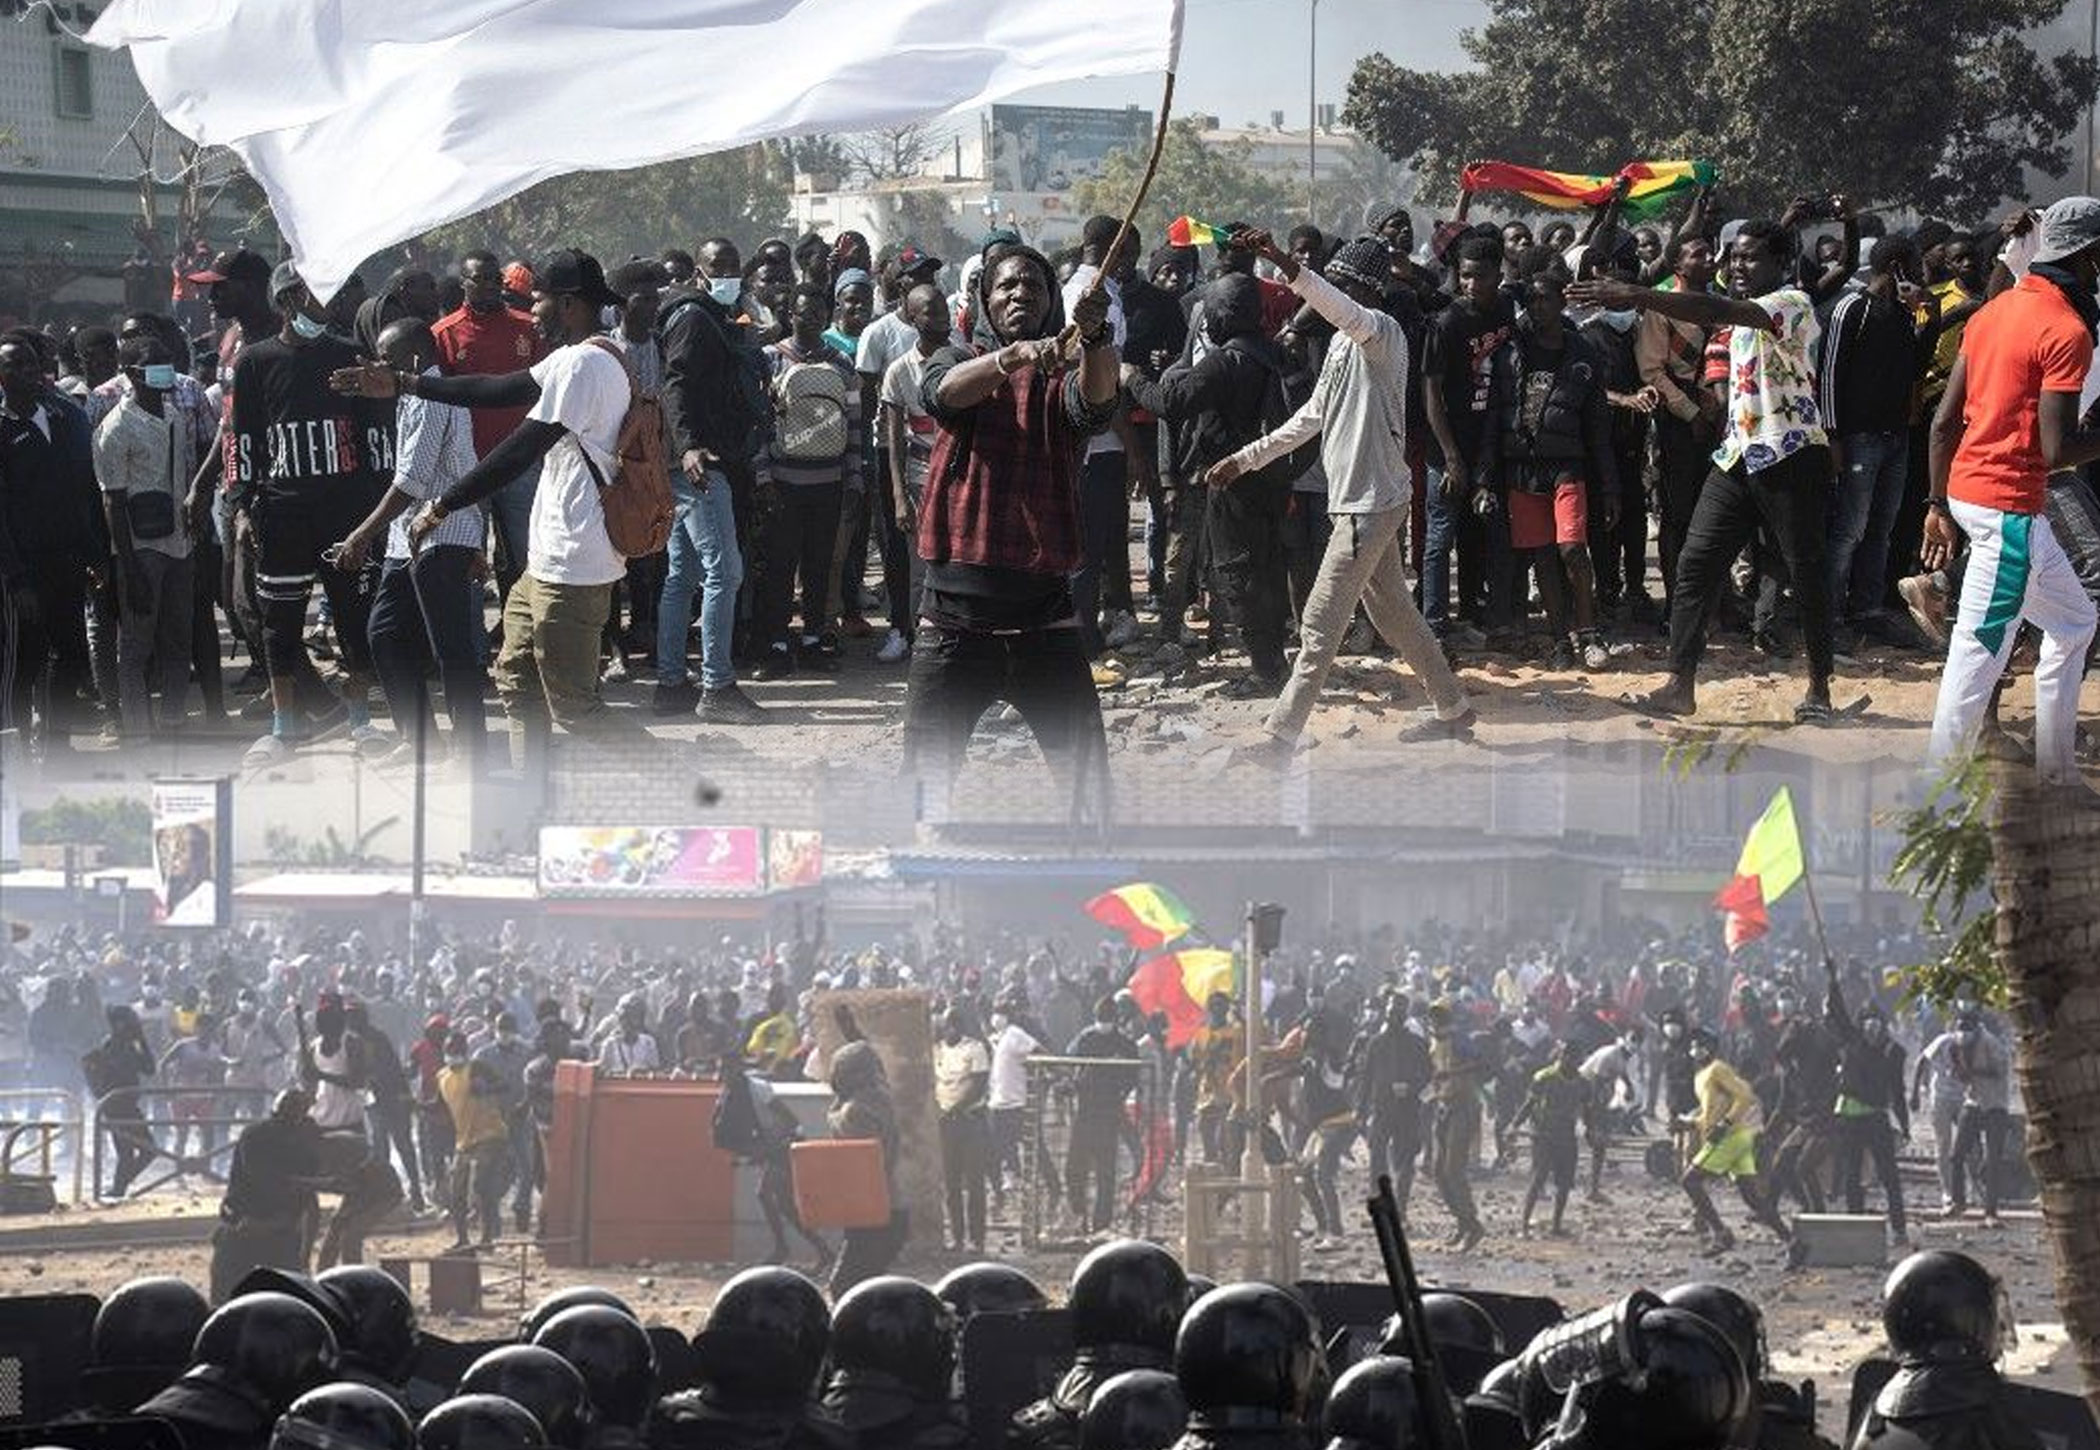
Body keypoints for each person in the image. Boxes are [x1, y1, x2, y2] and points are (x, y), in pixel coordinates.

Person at [336, 249, 642, 767]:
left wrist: (443, 507)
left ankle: (689, 788)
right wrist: (407, 383)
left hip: (575, 558)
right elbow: (498, 389)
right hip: (549, 557)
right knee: (517, 677)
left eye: (539, 299)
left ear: (568, 305)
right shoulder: (575, 357)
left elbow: (520, 449)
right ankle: (530, 797)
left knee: (573, 707)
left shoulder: (585, 364)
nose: (530, 308)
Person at [1206, 229, 1474, 761]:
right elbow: (1311, 418)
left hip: (1368, 504)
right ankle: (1454, 709)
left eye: (1343, 284)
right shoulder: (1340, 346)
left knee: (1318, 624)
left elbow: (1340, 308)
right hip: (1364, 499)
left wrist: (1284, 261)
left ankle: (1279, 736)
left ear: (1363, 290)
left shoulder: (1382, 332)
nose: (1328, 294)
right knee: (1395, 614)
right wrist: (1246, 458)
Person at [1571, 218, 1841, 721]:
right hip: (1739, 452)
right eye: (1733, 256)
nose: (1737, 265)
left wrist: (1637, 292)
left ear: (1780, 264)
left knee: (1805, 572)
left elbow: (1713, 306)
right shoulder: (1738, 313)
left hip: (1790, 453)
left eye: (1750, 257)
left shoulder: (1790, 303)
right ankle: (1680, 682)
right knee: (1695, 561)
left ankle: (1820, 688)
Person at [900, 240, 1119, 791]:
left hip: (1044, 618)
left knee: (1086, 786)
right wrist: (1014, 357)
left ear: (1051, 304)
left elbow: (1096, 404)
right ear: (985, 302)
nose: (1021, 293)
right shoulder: (954, 358)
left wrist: (1095, 337)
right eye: (1007, 285)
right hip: (954, 621)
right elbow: (943, 395)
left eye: (1035, 286)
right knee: (923, 791)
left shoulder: (1064, 374)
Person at [1923, 196, 2100, 787]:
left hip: (1973, 491)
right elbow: (2057, 453)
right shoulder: (2067, 328)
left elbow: (1944, 422)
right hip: (2011, 509)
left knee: (2074, 624)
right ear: (2088, 257)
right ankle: (1937, 792)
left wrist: (1934, 504)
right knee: (1976, 655)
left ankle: (2057, 772)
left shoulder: (1994, 311)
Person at [230, 262, 393, 765]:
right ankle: (283, 727)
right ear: (291, 300)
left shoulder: (348, 356)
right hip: (281, 513)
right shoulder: (255, 362)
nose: (332, 304)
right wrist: (241, 508)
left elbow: (374, 438)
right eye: (321, 295)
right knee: (281, 621)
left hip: (344, 512)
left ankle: (361, 721)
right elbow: (245, 441)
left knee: (353, 615)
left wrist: (375, 515)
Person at [331, 319, 489, 772]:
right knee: (384, 633)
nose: (380, 366)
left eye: (387, 359)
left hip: (442, 528)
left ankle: (470, 750)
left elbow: (412, 480)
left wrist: (362, 533)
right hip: (410, 536)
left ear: (415, 359)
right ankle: (422, 741)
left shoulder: (430, 395)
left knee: (450, 647)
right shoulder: (411, 396)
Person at [1128, 271, 1294, 693]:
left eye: (1210, 312)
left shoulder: (1225, 360)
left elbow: (1171, 403)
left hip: (1232, 482)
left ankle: (1265, 670)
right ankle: (1274, 660)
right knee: (1268, 571)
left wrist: (1131, 378)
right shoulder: (1273, 353)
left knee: (1238, 575)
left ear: (1223, 314)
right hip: (1271, 479)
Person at [1481, 249, 1621, 669]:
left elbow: (1599, 428)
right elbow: (1493, 419)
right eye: (1532, 299)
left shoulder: (1583, 356)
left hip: (1567, 467)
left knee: (1572, 549)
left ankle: (1588, 631)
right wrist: (1485, 478)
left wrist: (1610, 485)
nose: (1538, 306)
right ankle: (1561, 639)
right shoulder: (1509, 354)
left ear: (1564, 302)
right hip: (1521, 469)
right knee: (1542, 556)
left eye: (1546, 298)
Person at [653, 244, 766, 725]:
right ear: (700, 273)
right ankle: (717, 686)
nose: (728, 276)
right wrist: (688, 447)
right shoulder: (695, 319)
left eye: (733, 268)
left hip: (693, 460)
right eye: (718, 268)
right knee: (725, 571)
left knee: (682, 575)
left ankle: (671, 683)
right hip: (701, 462)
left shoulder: (714, 316)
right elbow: (675, 384)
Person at [1819, 236, 1937, 650]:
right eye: (1916, 265)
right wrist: (1832, 436)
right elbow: (1830, 374)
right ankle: (1828, 617)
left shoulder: (1904, 314)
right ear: (1897, 266)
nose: (1924, 273)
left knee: (1880, 530)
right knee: (1849, 528)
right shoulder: (1853, 308)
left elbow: (1915, 369)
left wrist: (1930, 315)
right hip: (1858, 437)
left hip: (1894, 437)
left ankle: (1866, 610)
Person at [0, 332, 104, 753]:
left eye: (30, 364)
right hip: (23, 570)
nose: (27, 373)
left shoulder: (62, 417)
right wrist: (17, 578)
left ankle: (58, 743)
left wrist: (96, 553)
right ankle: (19, 746)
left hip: (68, 560)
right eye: (14, 366)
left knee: (70, 654)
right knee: (24, 664)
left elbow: (83, 489)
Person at [92, 332, 197, 738]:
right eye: (157, 362)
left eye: (168, 360)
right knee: (136, 645)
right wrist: (128, 566)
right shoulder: (114, 429)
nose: (166, 368)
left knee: (177, 636)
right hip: (140, 549)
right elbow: (112, 502)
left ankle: (172, 720)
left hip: (179, 543)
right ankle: (137, 732)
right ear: (133, 373)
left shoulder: (173, 412)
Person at [754, 283, 861, 679]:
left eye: (818, 312)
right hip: (782, 482)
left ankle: (814, 639)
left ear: (826, 315)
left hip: (829, 483)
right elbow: (760, 424)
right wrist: (762, 475)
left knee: (819, 566)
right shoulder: (769, 359)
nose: (811, 318)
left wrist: (854, 480)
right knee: (779, 566)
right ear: (791, 315)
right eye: (803, 312)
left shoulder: (842, 364)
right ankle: (778, 644)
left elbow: (853, 425)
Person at [433, 250, 546, 605]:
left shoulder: (528, 327)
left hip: (521, 462)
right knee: (470, 559)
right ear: (463, 283)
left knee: (529, 557)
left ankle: (523, 638)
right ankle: (475, 650)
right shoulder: (444, 334)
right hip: (469, 466)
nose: (487, 286)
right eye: (477, 279)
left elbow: (547, 387)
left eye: (493, 278)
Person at [1636, 233, 1723, 623]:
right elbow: (1652, 370)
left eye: (1709, 252)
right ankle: (1677, 603)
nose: (1709, 258)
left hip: (1722, 415)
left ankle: (1716, 600)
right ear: (1678, 266)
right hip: (1680, 422)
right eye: (1698, 254)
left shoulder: (1724, 305)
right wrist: (1691, 412)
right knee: (1678, 516)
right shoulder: (1662, 310)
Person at [877, 283, 957, 662]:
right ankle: (917, 638)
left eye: (942, 308)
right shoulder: (899, 371)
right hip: (919, 478)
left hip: (960, 479)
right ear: (911, 317)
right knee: (920, 566)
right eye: (929, 310)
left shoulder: (963, 359)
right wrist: (898, 496)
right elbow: (893, 439)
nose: (940, 317)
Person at [1676, 1028, 1791, 1254]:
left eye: (1701, 1044)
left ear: (1712, 1046)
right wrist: (1691, 1123)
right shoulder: (1701, 1074)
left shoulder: (1718, 1068)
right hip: (1736, 1137)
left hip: (1730, 1136)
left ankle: (1721, 1233)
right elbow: (1712, 1111)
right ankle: (1792, 1241)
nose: (1696, 1049)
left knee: (1690, 1180)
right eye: (1693, 1045)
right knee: (1752, 1198)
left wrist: (1725, 1124)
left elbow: (1745, 1095)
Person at [212, 1087, 323, 1300]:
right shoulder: (259, 1136)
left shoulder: (299, 1142)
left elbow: (309, 1200)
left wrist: (303, 1250)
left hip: (275, 1230)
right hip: (248, 1226)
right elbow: (266, 1180)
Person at [826, 1037, 906, 1295]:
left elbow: (862, 1163)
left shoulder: (853, 1112)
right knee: (865, 1287)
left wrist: (835, 1111)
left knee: (843, 1289)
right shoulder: (882, 1098)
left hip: (873, 1211)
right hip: (890, 1209)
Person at [1064, 995, 1140, 1236]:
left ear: (1115, 1018)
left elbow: (1132, 1076)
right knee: (1074, 1168)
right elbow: (1071, 1063)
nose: (1104, 1022)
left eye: (1107, 1018)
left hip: (1109, 1112)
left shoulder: (1125, 1044)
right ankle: (1079, 1214)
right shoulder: (1086, 1039)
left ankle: (1101, 1224)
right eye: (1101, 1018)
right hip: (1085, 1110)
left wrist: (1118, 1094)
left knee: (1106, 1171)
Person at [438, 1030, 513, 1252]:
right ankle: (463, 1239)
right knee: (457, 1192)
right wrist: (418, 1106)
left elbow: (504, 1085)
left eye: (457, 1051)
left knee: (481, 1184)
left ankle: (487, 1237)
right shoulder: (442, 1077)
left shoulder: (477, 1068)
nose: (453, 1055)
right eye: (450, 1051)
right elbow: (438, 1105)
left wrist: (486, 1088)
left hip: (490, 1133)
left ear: (465, 1052)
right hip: (464, 1140)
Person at [1510, 1040, 1589, 1237]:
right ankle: (1524, 1224)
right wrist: (1514, 1125)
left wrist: (1592, 1129)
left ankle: (1556, 1225)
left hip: (1566, 1135)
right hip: (1543, 1134)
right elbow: (1529, 1104)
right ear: (1562, 1057)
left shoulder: (1582, 1083)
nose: (1572, 1062)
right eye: (1567, 1057)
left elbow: (1587, 1109)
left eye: (1576, 1059)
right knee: (1539, 1177)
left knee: (1564, 1183)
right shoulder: (1545, 1077)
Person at [84, 1002, 158, 1199]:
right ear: (119, 1024)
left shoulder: (128, 1045)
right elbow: (115, 1074)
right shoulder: (111, 1045)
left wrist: (142, 1041)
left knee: (144, 1151)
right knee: (136, 1152)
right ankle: (118, 1189)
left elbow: (150, 1069)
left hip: (128, 1105)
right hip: (117, 1106)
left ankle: (118, 1187)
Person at [1945, 1011, 2013, 1225]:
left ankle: (1991, 1212)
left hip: (1995, 1105)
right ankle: (1958, 1201)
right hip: (1973, 1103)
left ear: (1976, 1027)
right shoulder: (1956, 1045)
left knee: (1993, 1160)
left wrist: (1975, 1070)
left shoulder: (1991, 1043)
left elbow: (2000, 1071)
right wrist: (1960, 1070)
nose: (1962, 1032)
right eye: (1959, 1028)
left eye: (1966, 1028)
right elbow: (1961, 1076)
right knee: (1956, 1155)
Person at [934, 1008, 991, 1252]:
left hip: (970, 1120)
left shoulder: (975, 1049)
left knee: (975, 1182)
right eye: (948, 1025)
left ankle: (976, 1239)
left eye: (955, 1025)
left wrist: (955, 1109)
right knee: (951, 1182)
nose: (951, 1029)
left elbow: (978, 1086)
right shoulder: (936, 1050)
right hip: (946, 1122)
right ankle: (957, 1237)